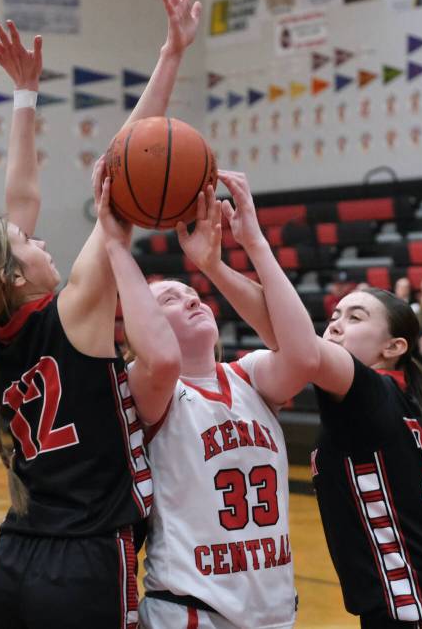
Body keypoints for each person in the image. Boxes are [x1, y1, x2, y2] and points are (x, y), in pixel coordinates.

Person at [0, 0, 201, 628]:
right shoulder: (76, 312)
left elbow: (18, 200)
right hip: (84, 563)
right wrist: (171, 54)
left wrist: (26, 97)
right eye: (26, 245)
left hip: (11, 562)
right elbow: (133, 162)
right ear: (14, 276)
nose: (41, 241)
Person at [138, 172, 307, 629]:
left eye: (192, 293)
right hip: (192, 612)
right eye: (171, 299)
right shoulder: (153, 389)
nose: (191, 298)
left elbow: (301, 351)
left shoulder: (250, 375)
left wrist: (235, 255)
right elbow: (155, 359)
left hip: (273, 611)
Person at [288, 283, 422, 626]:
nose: (335, 324)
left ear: (394, 346)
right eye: (335, 315)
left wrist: (241, 252)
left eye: (355, 317)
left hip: (419, 614)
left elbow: (292, 339)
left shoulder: (370, 395)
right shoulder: (407, 405)